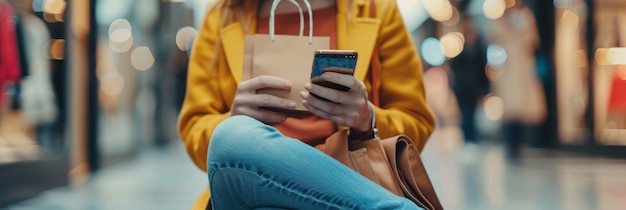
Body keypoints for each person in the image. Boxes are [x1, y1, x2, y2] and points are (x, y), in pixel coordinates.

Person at [177, 0, 435, 209]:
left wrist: (367, 118)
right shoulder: (223, 14)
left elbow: (416, 122)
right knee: (231, 134)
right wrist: (235, 117)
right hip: (256, 181)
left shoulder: (375, 8)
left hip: (349, 181)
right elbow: (194, 128)